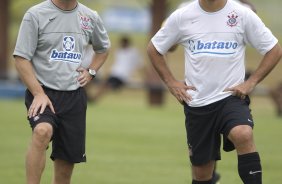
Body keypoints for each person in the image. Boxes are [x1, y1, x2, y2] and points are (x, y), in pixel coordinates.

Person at [147, 0, 282, 183]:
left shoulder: (242, 14)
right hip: (198, 104)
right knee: (202, 174)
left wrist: (251, 82)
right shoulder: (182, 15)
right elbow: (155, 48)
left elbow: (273, 49)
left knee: (243, 133)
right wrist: (171, 82)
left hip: (231, 97)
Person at [13, 0, 110, 183]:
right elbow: (21, 58)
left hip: (74, 96)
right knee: (42, 131)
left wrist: (91, 72)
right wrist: (38, 93)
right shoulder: (35, 14)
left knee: (66, 162)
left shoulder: (90, 17)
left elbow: (103, 49)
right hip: (43, 92)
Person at [89, 35, 143, 102]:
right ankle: (93, 98)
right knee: (103, 84)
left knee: (106, 86)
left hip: (123, 76)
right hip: (114, 74)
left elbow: (140, 65)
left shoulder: (133, 52)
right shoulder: (119, 51)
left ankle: (93, 99)